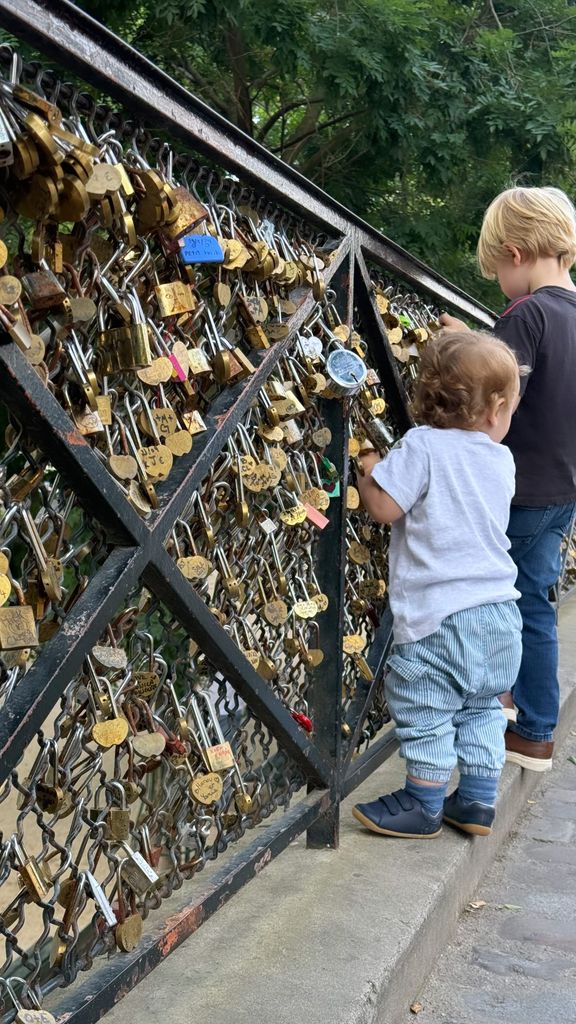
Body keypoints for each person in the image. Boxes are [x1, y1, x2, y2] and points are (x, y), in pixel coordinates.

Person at [352, 331, 522, 839]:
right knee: (482, 706)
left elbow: (385, 507)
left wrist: (368, 473)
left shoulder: (422, 445)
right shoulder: (502, 459)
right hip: (498, 612)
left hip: (438, 616)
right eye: (511, 408)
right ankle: (476, 800)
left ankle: (423, 800)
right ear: (494, 410)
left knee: (426, 703)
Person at [441, 186, 576, 772]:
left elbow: (497, 404)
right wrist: (479, 340)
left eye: (497, 267)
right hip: (565, 488)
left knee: (500, 601)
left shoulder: (526, 314)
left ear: (516, 253)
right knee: (535, 601)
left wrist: (460, 353)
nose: (499, 279)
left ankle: (522, 726)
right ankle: (533, 722)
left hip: (521, 492)